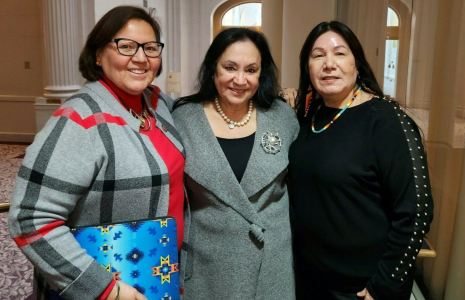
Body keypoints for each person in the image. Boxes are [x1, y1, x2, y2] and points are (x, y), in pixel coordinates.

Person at [8, 6, 185, 300]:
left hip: (158, 272)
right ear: (99, 54)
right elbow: (30, 217)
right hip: (111, 285)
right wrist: (105, 289)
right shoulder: (78, 120)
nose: (141, 58)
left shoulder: (157, 104)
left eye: (151, 48)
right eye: (126, 46)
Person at [288, 21, 434, 300]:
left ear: (357, 63)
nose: (328, 64)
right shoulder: (310, 117)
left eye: (340, 53)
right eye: (318, 56)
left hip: (361, 287)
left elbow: (417, 211)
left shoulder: (387, 121)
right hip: (310, 279)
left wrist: (383, 286)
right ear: (307, 67)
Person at [172, 28, 299, 299]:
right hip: (207, 270)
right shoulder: (183, 120)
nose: (240, 79)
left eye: (251, 70)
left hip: (270, 267)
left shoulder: (282, 117)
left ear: (261, 74)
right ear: (213, 69)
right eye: (230, 67)